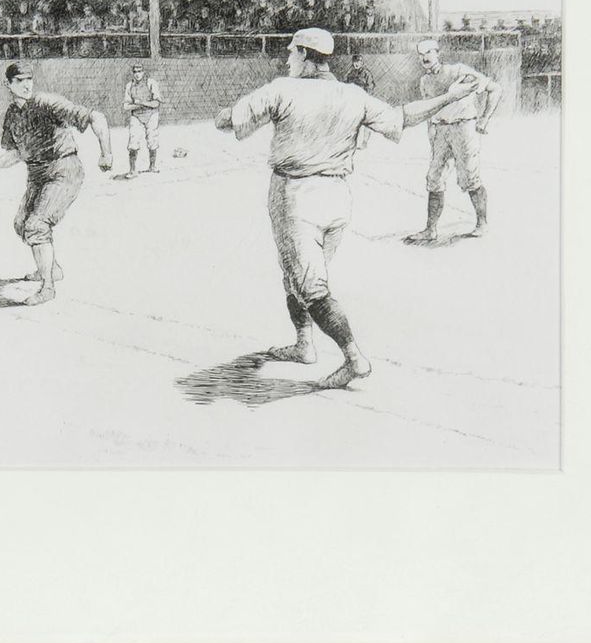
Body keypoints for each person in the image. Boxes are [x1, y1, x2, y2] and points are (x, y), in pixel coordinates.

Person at [214, 27, 480, 389]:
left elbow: (228, 121)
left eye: (293, 53)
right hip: (337, 199)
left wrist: (223, 114)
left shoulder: (282, 88)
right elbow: (403, 117)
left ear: (306, 55)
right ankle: (304, 344)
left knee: (311, 287)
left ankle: (353, 358)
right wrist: (451, 97)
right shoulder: (353, 95)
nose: (288, 59)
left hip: (296, 196)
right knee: (295, 275)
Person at [0, 62, 113, 306]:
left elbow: (96, 117)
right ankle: (51, 268)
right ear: (8, 84)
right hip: (37, 173)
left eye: (29, 79)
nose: (27, 84)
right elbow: (17, 152)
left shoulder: (47, 102)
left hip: (64, 169)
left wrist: (106, 153)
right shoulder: (12, 115)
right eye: (19, 80)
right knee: (21, 225)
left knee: (37, 225)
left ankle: (47, 287)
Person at [406, 38, 501, 241]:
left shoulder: (458, 71)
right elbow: (429, 111)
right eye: (421, 54)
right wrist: (431, 134)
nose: (424, 58)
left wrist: (484, 119)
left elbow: (495, 89)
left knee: (469, 177)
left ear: (437, 53)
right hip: (441, 130)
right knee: (434, 178)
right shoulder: (424, 82)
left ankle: (482, 223)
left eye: (428, 52)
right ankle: (430, 230)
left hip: (464, 128)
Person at [122, 63, 163, 177]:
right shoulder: (129, 86)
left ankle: (152, 166)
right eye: (135, 72)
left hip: (151, 115)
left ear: (143, 72)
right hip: (137, 116)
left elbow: (156, 103)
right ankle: (132, 170)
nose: (137, 74)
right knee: (133, 141)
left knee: (152, 140)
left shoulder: (151, 83)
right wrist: (139, 106)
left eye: (139, 71)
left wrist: (142, 103)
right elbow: (126, 106)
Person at [345, 53, 376, 149]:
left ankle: (365, 142)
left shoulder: (366, 74)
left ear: (362, 62)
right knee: (353, 122)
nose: (356, 64)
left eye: (358, 62)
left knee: (366, 122)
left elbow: (371, 86)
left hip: (365, 100)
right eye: (355, 62)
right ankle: (352, 142)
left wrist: (366, 98)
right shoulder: (350, 74)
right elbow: (347, 86)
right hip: (353, 101)